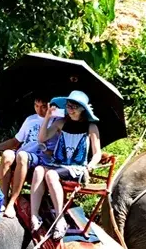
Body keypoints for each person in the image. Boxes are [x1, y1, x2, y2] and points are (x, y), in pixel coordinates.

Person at [29, 90, 101, 240]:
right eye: (68, 105)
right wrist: (48, 116)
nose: (70, 109)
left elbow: (97, 153)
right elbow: (41, 138)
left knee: (51, 174)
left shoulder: (91, 127)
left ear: (83, 109)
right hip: (57, 163)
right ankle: (34, 215)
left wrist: (91, 165)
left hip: (76, 167)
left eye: (74, 106)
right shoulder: (61, 122)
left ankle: (60, 219)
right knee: (39, 170)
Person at [0, 93, 61, 219]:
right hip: (22, 154)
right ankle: (3, 199)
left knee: (23, 156)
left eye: (43, 107)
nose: (39, 110)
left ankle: (12, 202)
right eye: (36, 106)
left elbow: (62, 146)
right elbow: (16, 141)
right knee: (8, 154)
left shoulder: (57, 122)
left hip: (41, 158)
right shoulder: (31, 119)